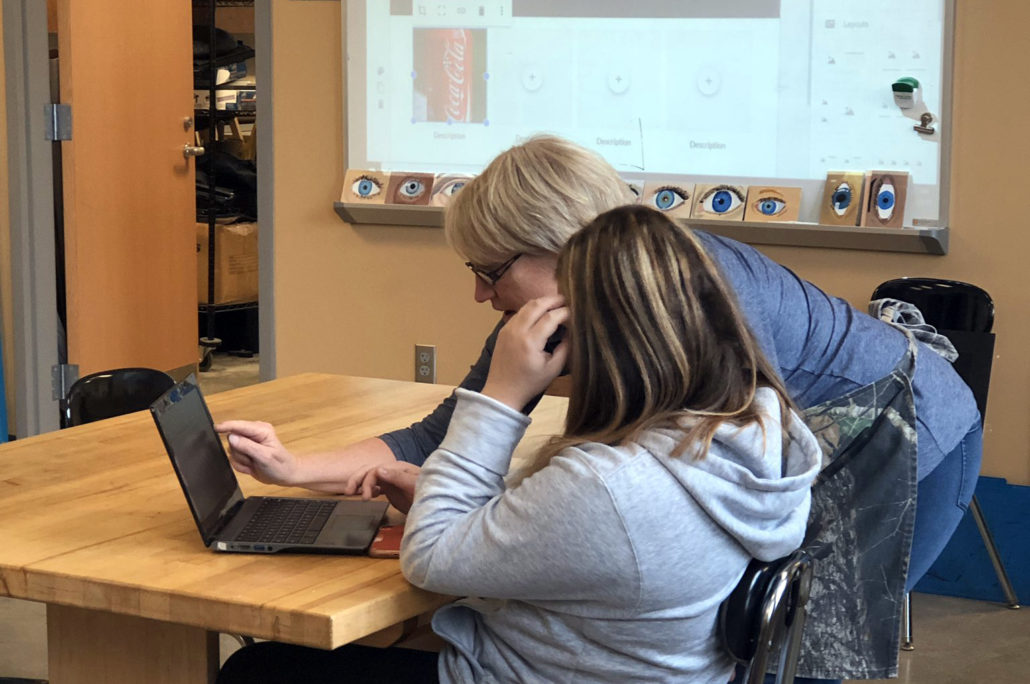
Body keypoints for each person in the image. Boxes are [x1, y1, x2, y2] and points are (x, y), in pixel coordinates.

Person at [218, 136, 982, 683]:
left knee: (797, 652)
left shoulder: (699, 298)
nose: (480, 296)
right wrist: (295, 469)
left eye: (487, 271)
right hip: (775, 452)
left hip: (900, 428)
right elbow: (443, 431)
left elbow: (668, 524)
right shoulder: (576, 320)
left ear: (559, 249)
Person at [218, 205, 822, 683]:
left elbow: (432, 560)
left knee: (258, 668)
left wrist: (503, 396)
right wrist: (433, 490)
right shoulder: (748, 425)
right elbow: (575, 536)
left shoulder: (609, 485)